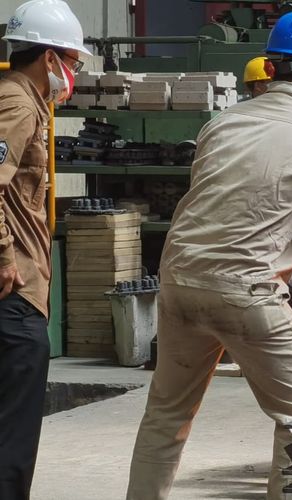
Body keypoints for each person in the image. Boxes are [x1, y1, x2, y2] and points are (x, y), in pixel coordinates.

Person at [125, 11, 292, 500]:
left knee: (166, 416)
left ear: (271, 70)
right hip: (247, 289)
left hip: (180, 280)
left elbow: (210, 207)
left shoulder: (220, 125)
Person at [0, 1, 89, 498]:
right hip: (13, 295)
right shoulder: (15, 103)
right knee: (13, 432)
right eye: (72, 62)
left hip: (18, 292)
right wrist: (3, 258)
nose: (73, 73)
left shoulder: (25, 100)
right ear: (50, 58)